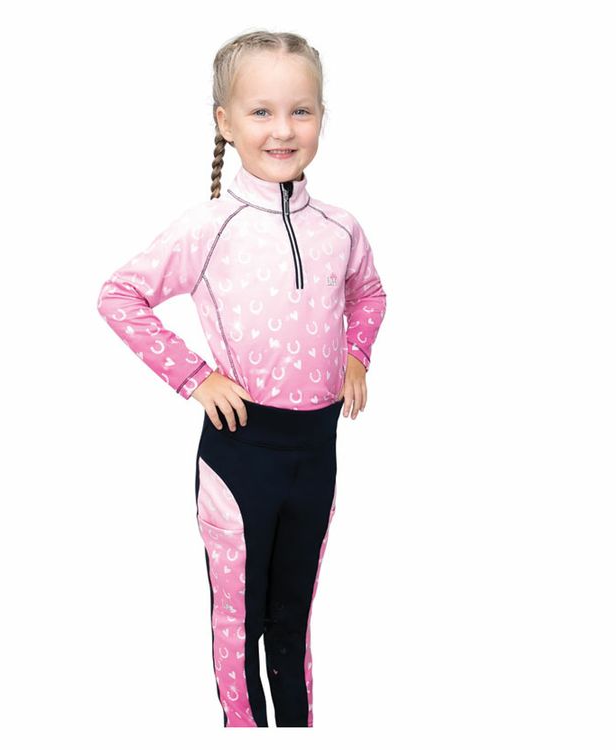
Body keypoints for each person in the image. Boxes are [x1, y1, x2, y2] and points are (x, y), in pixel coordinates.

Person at [96, 29, 387, 728]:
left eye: (301, 111)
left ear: (321, 116)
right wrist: (195, 377)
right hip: (241, 456)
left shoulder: (340, 228)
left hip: (316, 454)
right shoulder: (210, 226)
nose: (283, 129)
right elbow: (119, 296)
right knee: (240, 620)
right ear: (225, 122)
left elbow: (370, 294)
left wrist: (356, 355)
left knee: (293, 617)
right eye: (261, 112)